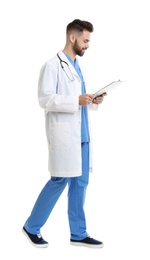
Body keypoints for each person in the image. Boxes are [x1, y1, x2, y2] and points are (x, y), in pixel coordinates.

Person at [22, 19, 106, 249]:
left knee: (80, 183)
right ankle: (31, 226)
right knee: (59, 181)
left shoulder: (79, 65)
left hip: (83, 134)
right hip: (65, 136)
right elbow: (45, 99)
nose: (88, 45)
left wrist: (91, 100)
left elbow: (78, 101)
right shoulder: (52, 65)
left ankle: (78, 233)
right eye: (85, 40)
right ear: (73, 38)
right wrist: (75, 100)